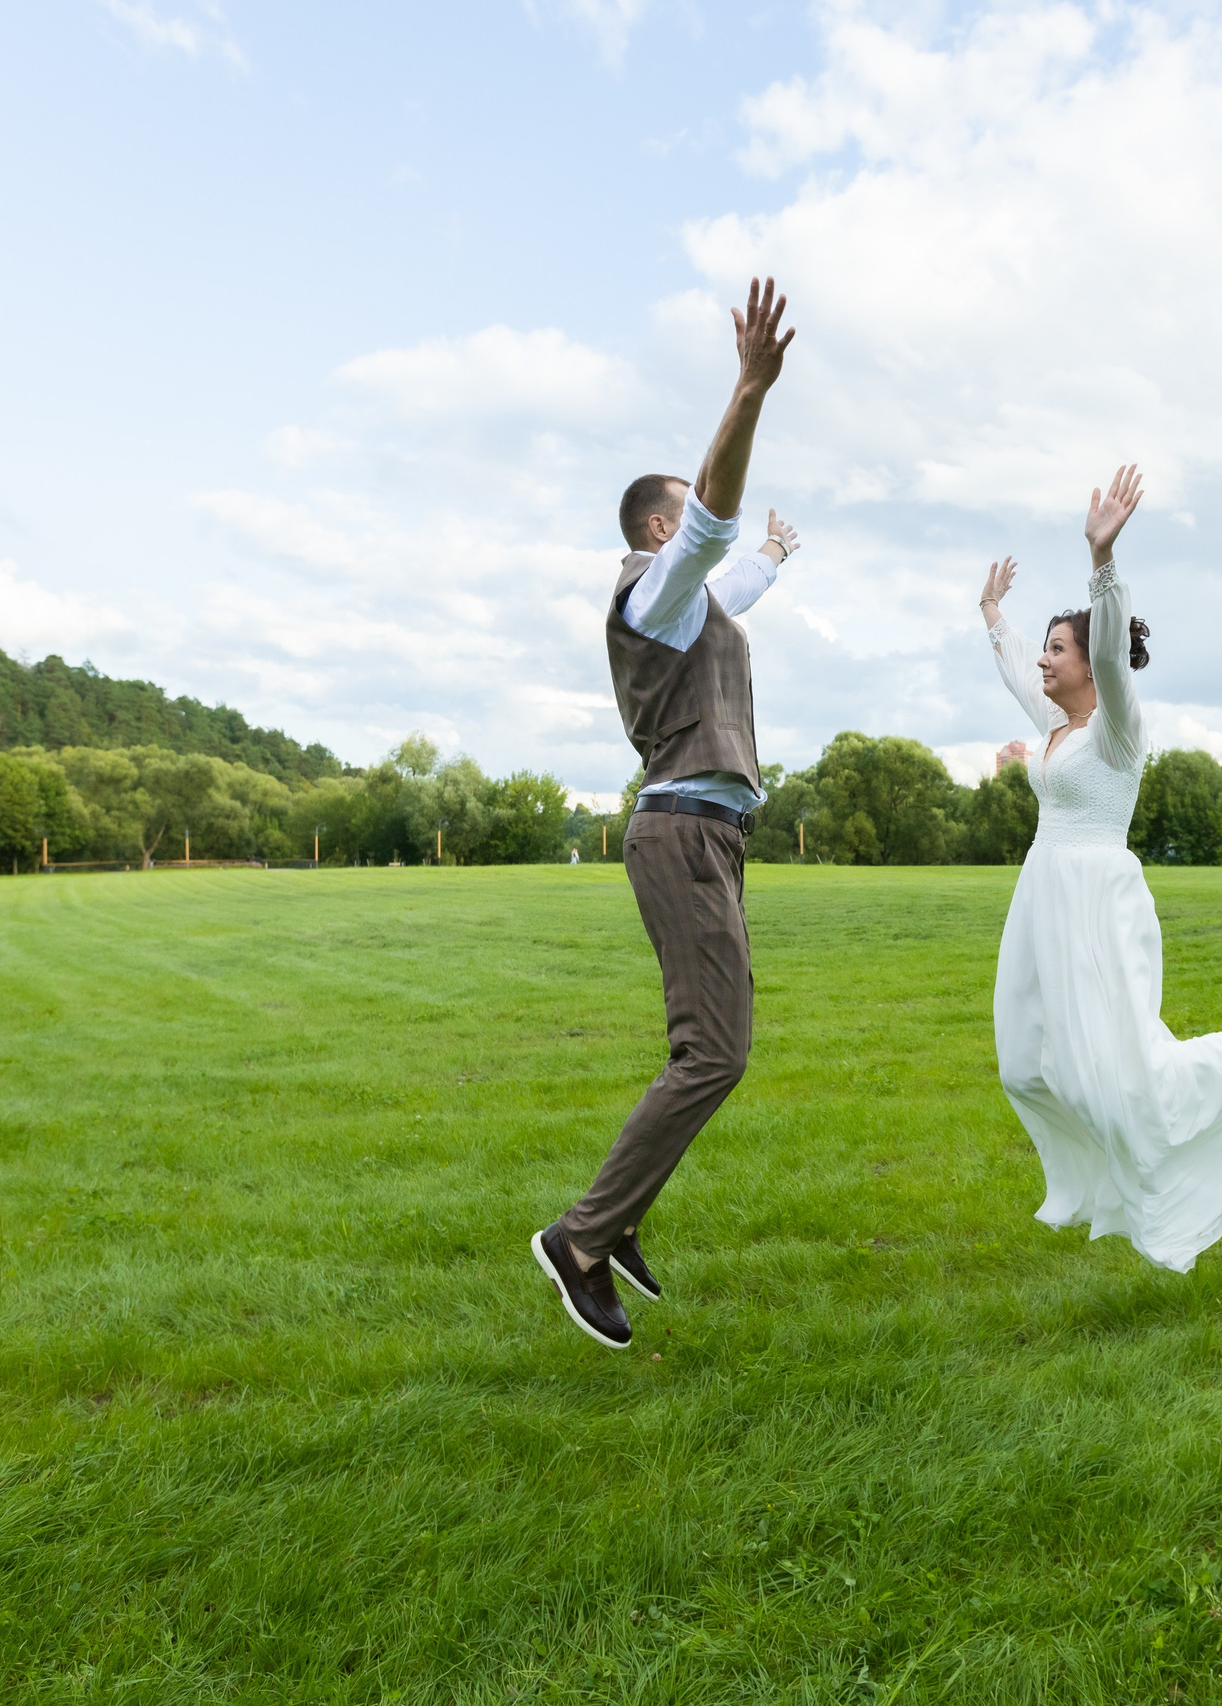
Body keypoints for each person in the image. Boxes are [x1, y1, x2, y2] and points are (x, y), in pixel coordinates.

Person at [532, 277, 799, 1349]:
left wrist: (776, 556)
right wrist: (746, 391)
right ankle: (582, 1237)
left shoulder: (696, 607)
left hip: (710, 836)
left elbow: (740, 585)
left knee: (709, 1048)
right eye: (686, 508)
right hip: (684, 830)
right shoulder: (652, 589)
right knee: (715, 1054)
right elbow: (713, 532)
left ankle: (618, 1220)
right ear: (660, 521)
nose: (702, 523)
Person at [979, 465, 1222, 1272]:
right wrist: (992, 614)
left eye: (1058, 652)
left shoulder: (1117, 730)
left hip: (1099, 904)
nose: (1044, 664)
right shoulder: (1055, 726)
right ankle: (1082, 1188)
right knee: (1025, 1064)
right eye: (1046, 652)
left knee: (1126, 1082)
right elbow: (1014, 662)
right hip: (1042, 901)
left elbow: (1115, 670)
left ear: (1093, 661)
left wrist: (1102, 561)